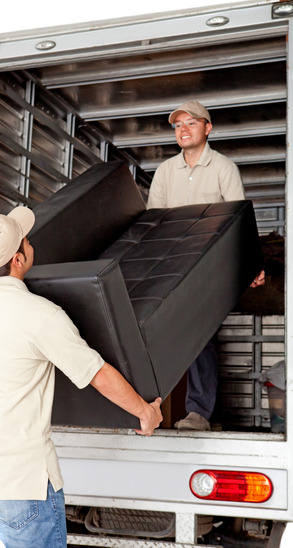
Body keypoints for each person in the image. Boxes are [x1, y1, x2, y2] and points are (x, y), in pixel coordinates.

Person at [0, 206, 162, 548]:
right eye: (27, 240)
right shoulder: (40, 315)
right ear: (17, 260)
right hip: (20, 485)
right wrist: (144, 411)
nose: (31, 243)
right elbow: (96, 373)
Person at [148, 100, 264, 432]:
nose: (183, 130)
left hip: (210, 266)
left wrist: (251, 264)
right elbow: (153, 223)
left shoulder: (224, 168)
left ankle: (198, 412)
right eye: (177, 125)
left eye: (191, 123)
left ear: (207, 128)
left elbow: (237, 218)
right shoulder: (166, 172)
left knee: (201, 337)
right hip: (173, 265)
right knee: (163, 335)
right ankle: (148, 407)